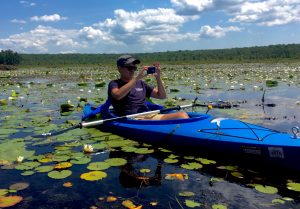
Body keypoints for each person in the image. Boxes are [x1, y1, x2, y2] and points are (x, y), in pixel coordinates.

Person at [108, 55, 189, 120]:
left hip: (146, 115)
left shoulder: (141, 83)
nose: (132, 70)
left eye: (134, 68)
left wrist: (158, 77)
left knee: (183, 115)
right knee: (182, 115)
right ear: (119, 68)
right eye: (129, 68)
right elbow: (117, 95)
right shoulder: (114, 83)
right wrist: (136, 78)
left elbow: (162, 96)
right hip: (133, 118)